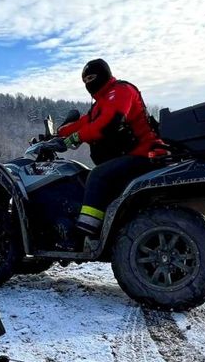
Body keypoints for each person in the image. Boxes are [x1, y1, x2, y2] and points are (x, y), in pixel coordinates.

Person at [57, 58, 169, 240]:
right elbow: (84, 122)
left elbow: (108, 122)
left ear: (103, 75)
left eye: (91, 77)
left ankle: (86, 235)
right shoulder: (100, 104)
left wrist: (74, 139)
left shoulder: (121, 90)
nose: (88, 84)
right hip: (132, 155)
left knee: (97, 176)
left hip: (145, 153)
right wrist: (59, 133)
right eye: (85, 81)